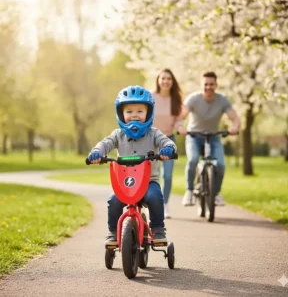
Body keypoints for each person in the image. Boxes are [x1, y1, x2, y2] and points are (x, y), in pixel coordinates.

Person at [88, 85, 177, 245]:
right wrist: (97, 152)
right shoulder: (118, 135)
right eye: (129, 112)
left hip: (149, 182)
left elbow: (167, 141)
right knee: (113, 201)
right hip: (126, 183)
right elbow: (105, 144)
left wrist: (168, 149)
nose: (134, 116)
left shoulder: (154, 133)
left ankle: (157, 229)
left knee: (155, 197)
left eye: (140, 111)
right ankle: (113, 232)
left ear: (149, 113)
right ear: (121, 114)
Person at [179, 71, 240, 206]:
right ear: (201, 85)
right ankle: (189, 191)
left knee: (221, 165)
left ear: (216, 85)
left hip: (213, 137)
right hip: (194, 136)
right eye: (206, 84)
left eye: (211, 84)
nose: (208, 87)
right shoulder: (193, 98)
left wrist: (234, 127)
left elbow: (234, 118)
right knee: (193, 160)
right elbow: (181, 116)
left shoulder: (222, 100)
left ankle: (216, 193)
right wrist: (180, 127)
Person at [152, 68, 185, 219]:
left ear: (172, 82)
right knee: (152, 174)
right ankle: (151, 203)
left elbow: (178, 119)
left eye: (169, 79)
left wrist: (180, 126)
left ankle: (164, 205)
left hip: (168, 140)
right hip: (151, 140)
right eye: (163, 78)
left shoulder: (176, 100)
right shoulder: (150, 97)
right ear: (158, 80)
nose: (166, 81)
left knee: (168, 175)